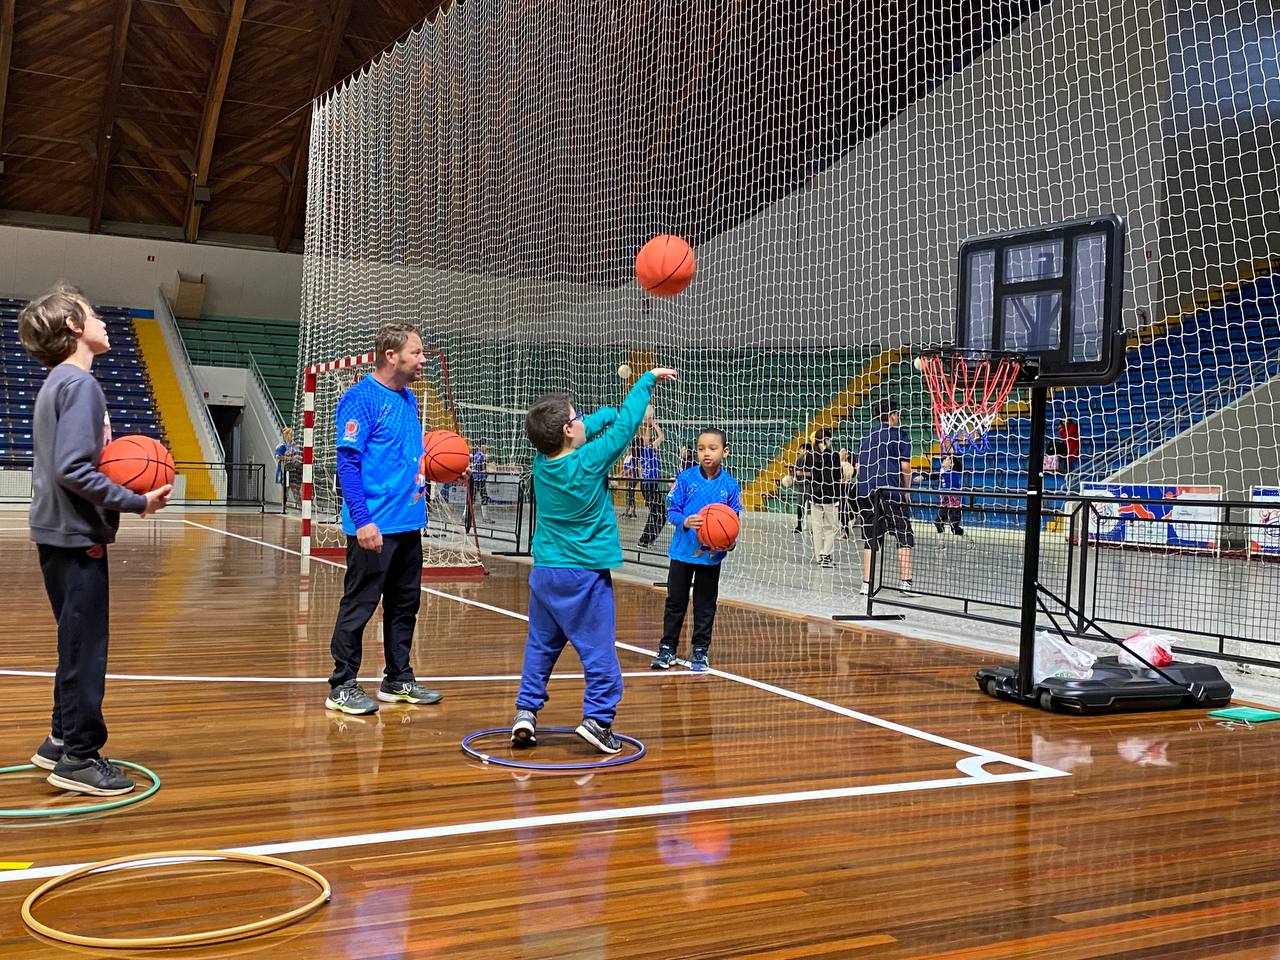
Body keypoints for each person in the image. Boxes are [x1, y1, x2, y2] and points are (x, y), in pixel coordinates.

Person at [19, 283, 172, 796]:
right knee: (87, 649)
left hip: (55, 530)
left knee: (74, 639)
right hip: (75, 531)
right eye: (93, 314)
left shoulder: (56, 382)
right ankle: (80, 758)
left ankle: (60, 739)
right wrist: (138, 502)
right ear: (73, 328)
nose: (103, 320)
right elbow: (73, 469)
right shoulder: (80, 385)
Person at [511, 366, 678, 754]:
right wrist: (645, 381)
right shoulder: (588, 462)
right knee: (599, 649)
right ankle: (598, 720)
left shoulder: (542, 463)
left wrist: (603, 414)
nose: (581, 419)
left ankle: (525, 711)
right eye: (576, 416)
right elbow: (625, 429)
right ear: (569, 431)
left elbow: (597, 425)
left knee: (541, 645)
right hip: (583, 575)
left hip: (546, 573)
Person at [323, 323, 443, 715]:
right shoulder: (359, 399)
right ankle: (342, 685)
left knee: (405, 605)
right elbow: (348, 464)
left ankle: (398, 678)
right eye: (417, 352)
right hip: (374, 527)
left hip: (409, 524)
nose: (424, 359)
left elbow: (405, 457)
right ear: (391, 355)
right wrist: (362, 521)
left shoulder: (409, 399)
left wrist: (442, 469)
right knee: (359, 605)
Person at [651, 428, 742, 673]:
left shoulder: (730, 485)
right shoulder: (686, 479)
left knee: (705, 605)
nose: (706, 453)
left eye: (712, 448)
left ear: (725, 452)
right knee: (675, 602)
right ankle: (667, 647)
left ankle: (700, 650)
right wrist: (685, 521)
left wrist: (730, 542)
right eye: (701, 448)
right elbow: (671, 511)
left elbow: (734, 521)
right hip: (682, 553)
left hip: (711, 558)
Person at [857, 400, 916, 595]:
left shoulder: (866, 438)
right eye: (896, 414)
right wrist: (906, 491)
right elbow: (905, 468)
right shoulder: (900, 436)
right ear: (892, 415)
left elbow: (860, 466)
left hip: (866, 491)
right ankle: (906, 583)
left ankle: (866, 584)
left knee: (871, 537)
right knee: (903, 534)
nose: (897, 418)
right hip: (890, 490)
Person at [807, 428, 842, 567]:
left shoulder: (811, 456)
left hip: (815, 496)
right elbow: (836, 475)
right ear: (826, 440)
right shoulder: (832, 455)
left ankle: (819, 556)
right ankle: (825, 555)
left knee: (817, 528)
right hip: (830, 496)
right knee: (830, 527)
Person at [636, 422, 666, 548]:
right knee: (657, 513)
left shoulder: (643, 452)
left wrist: (648, 427)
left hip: (648, 485)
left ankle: (648, 540)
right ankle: (644, 540)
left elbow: (641, 473)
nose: (646, 438)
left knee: (661, 513)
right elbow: (661, 437)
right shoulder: (649, 449)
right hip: (650, 486)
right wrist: (654, 425)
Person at [935, 454, 964, 535]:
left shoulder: (955, 472)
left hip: (955, 504)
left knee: (954, 527)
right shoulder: (941, 472)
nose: (944, 460)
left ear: (952, 464)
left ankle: (968, 541)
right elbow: (933, 475)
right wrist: (923, 477)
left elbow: (958, 464)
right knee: (938, 522)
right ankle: (941, 545)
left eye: (947, 459)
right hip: (945, 504)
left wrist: (952, 453)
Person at [274, 426, 300, 510]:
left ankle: (299, 506)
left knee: (294, 488)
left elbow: (297, 455)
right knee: (284, 488)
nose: (291, 437)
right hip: (283, 469)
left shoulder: (294, 445)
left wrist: (296, 458)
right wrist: (290, 458)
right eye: (290, 435)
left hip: (293, 470)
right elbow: (278, 457)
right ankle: (283, 507)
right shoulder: (281, 446)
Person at [792, 443, 812, 533]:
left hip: (809, 485)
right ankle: (799, 525)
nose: (799, 451)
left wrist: (802, 473)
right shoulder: (798, 460)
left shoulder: (811, 459)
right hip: (801, 485)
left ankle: (814, 528)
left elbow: (812, 473)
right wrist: (794, 479)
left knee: (813, 506)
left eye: (801, 449)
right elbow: (795, 472)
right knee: (800, 506)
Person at [838, 446, 857, 539]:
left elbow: (847, 477)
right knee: (840, 511)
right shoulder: (836, 464)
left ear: (846, 455)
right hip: (836, 488)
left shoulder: (848, 465)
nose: (840, 453)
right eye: (840, 451)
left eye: (843, 452)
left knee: (843, 509)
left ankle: (845, 531)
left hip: (844, 487)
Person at [621, 438, 640, 519]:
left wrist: (624, 473)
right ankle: (627, 511)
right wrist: (621, 474)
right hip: (628, 478)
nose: (627, 450)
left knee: (630, 494)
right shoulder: (626, 458)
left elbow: (632, 468)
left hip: (633, 478)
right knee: (628, 494)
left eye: (628, 449)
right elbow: (624, 468)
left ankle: (633, 512)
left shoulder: (633, 457)